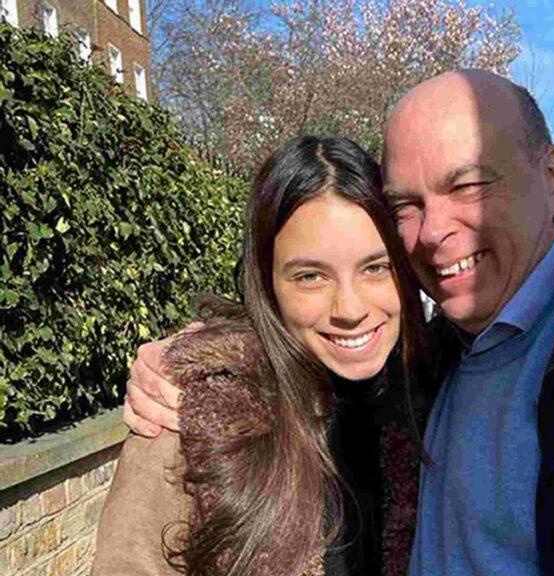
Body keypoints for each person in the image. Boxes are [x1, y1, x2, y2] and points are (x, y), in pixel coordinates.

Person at [125, 70, 554, 575]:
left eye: (468, 186)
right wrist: (195, 361)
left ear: (551, 178)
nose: (435, 232)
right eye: (408, 205)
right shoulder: (451, 351)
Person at [93, 136, 426, 576]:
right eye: (310, 276)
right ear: (267, 284)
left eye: (375, 268)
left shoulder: (440, 392)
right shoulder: (191, 421)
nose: (351, 309)